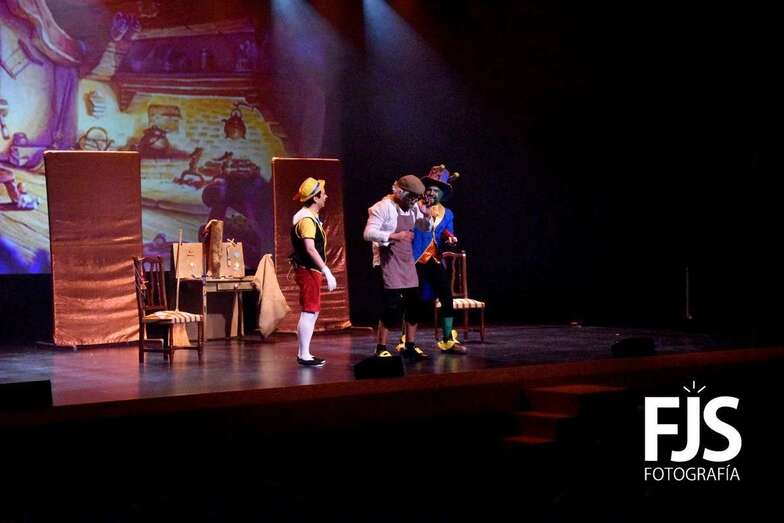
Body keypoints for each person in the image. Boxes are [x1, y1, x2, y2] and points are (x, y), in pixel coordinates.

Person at [363, 175, 432, 360]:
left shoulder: (413, 208)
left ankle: (409, 345)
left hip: (407, 261)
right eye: (412, 197)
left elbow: (426, 228)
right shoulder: (383, 207)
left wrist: (426, 214)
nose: (414, 201)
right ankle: (381, 347)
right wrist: (395, 236)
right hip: (389, 261)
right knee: (392, 306)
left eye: (416, 198)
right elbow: (368, 233)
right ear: (401, 193)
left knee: (414, 305)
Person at [413, 165, 465, 354]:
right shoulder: (415, 207)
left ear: (442, 194)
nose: (432, 193)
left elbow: (446, 232)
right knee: (413, 300)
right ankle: (407, 340)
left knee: (446, 296)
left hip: (434, 258)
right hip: (416, 258)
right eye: (430, 189)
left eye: (437, 190)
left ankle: (448, 338)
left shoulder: (447, 213)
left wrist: (450, 239)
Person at [290, 177, 337, 366]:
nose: (326, 196)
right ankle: (304, 355)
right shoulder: (307, 219)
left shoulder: (307, 216)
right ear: (315, 198)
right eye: (323, 194)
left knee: (311, 312)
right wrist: (326, 270)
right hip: (308, 269)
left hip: (310, 270)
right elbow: (310, 248)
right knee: (309, 311)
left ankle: (304, 353)